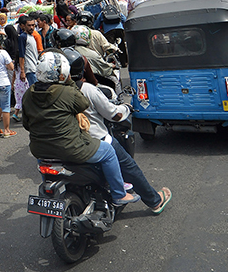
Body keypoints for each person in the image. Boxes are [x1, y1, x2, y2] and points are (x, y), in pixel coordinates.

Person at [20, 52, 139, 206]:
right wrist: (69, 82)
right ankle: (119, 194)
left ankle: (48, 196)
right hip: (70, 148)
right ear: (63, 73)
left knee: (45, 161)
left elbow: (26, 125)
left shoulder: (28, 94)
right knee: (109, 152)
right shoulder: (67, 92)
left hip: (40, 150)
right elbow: (83, 103)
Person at [63, 49, 171, 214]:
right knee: (130, 167)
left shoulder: (51, 92)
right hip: (93, 140)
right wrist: (126, 108)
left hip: (63, 143)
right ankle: (154, 201)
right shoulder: (87, 90)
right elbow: (114, 115)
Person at [17, 15, 41, 87]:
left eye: (33, 25)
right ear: (24, 26)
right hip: (30, 69)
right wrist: (22, 71)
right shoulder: (23, 37)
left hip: (36, 68)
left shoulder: (32, 36)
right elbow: (21, 55)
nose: (31, 27)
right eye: (29, 25)